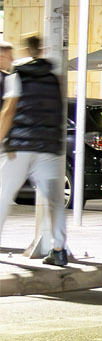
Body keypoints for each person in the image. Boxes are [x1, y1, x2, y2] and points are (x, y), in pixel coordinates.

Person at [0, 36, 70, 265]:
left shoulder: (16, 75)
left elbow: (9, 110)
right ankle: (59, 250)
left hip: (20, 146)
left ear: (22, 51)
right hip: (49, 147)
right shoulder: (53, 78)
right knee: (55, 201)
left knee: (2, 194)